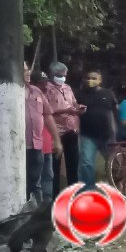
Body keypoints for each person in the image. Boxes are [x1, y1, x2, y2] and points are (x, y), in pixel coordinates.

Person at [44, 61, 83, 197]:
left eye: (64, 75)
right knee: (54, 168)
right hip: (56, 132)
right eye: (60, 75)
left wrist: (78, 109)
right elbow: (46, 110)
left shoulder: (67, 87)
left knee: (73, 166)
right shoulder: (46, 89)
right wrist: (66, 109)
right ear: (52, 74)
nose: (63, 78)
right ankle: (54, 199)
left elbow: (73, 103)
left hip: (72, 130)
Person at [24, 62, 62, 201]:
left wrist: (57, 140)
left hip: (37, 146)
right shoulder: (10, 94)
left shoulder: (36, 91)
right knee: (25, 184)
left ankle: (40, 214)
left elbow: (47, 115)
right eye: (23, 71)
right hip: (21, 147)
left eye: (27, 70)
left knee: (36, 183)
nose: (27, 73)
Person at [75, 69, 118, 186]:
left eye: (94, 78)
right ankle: (87, 191)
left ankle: (119, 187)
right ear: (83, 80)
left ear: (100, 80)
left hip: (107, 135)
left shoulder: (108, 93)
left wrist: (114, 133)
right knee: (86, 164)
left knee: (114, 164)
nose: (90, 80)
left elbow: (113, 113)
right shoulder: (78, 95)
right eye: (88, 78)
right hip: (87, 135)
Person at [32, 69, 59, 202]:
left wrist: (55, 140)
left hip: (47, 143)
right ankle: (36, 205)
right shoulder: (27, 96)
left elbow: (49, 118)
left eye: (45, 82)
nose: (44, 85)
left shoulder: (43, 97)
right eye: (40, 83)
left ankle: (47, 205)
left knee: (48, 175)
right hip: (34, 144)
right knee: (35, 178)